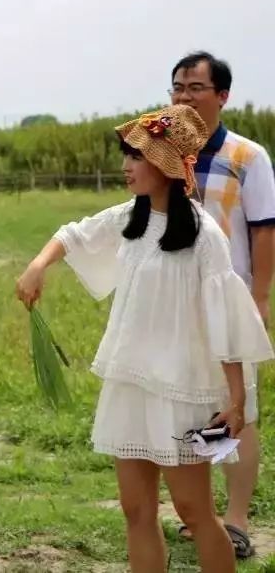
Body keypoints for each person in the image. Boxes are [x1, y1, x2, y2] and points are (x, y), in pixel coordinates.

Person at [15, 104, 273, 573]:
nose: (127, 167)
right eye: (127, 156)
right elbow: (73, 235)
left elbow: (226, 323)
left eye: (137, 157)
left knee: (196, 514)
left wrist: (237, 403)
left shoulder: (203, 236)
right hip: (130, 385)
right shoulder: (130, 219)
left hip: (182, 392)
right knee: (137, 512)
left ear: (167, 166)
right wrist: (37, 267)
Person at [169, 51, 275, 558]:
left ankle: (235, 519)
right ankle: (200, 515)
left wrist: (259, 298)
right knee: (191, 401)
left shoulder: (247, 156)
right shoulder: (165, 152)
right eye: (178, 87)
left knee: (236, 407)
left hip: (230, 299)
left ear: (222, 96)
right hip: (176, 301)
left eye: (195, 87)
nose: (184, 96)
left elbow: (265, 230)